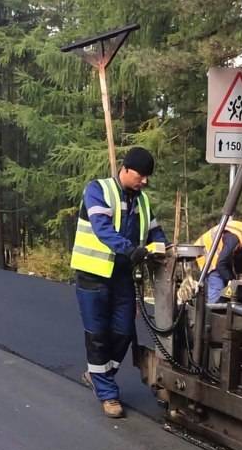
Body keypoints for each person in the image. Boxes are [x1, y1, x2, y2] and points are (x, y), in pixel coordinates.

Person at [70, 146, 168, 418]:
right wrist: (131, 250)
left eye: (148, 176)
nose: (145, 181)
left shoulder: (142, 201)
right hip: (93, 275)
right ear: (125, 169)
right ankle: (108, 394)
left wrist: (167, 249)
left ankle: (99, 375)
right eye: (141, 175)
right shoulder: (98, 190)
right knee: (98, 336)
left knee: (123, 332)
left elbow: (155, 232)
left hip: (122, 277)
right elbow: (102, 229)